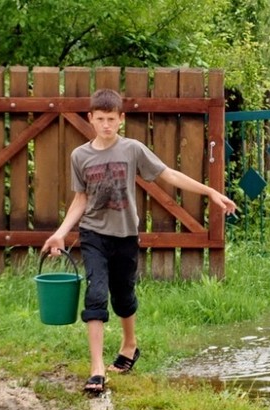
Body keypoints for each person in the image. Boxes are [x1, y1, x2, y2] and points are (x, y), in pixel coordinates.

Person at [41, 88, 237, 394]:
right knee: (95, 295)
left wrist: (210, 192)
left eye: (111, 119)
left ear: (121, 119)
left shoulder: (132, 149)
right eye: (100, 118)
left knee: (123, 297)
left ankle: (130, 344)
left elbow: (168, 174)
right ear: (91, 119)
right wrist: (61, 233)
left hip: (126, 235)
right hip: (93, 234)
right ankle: (96, 370)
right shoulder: (79, 155)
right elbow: (80, 199)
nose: (106, 124)